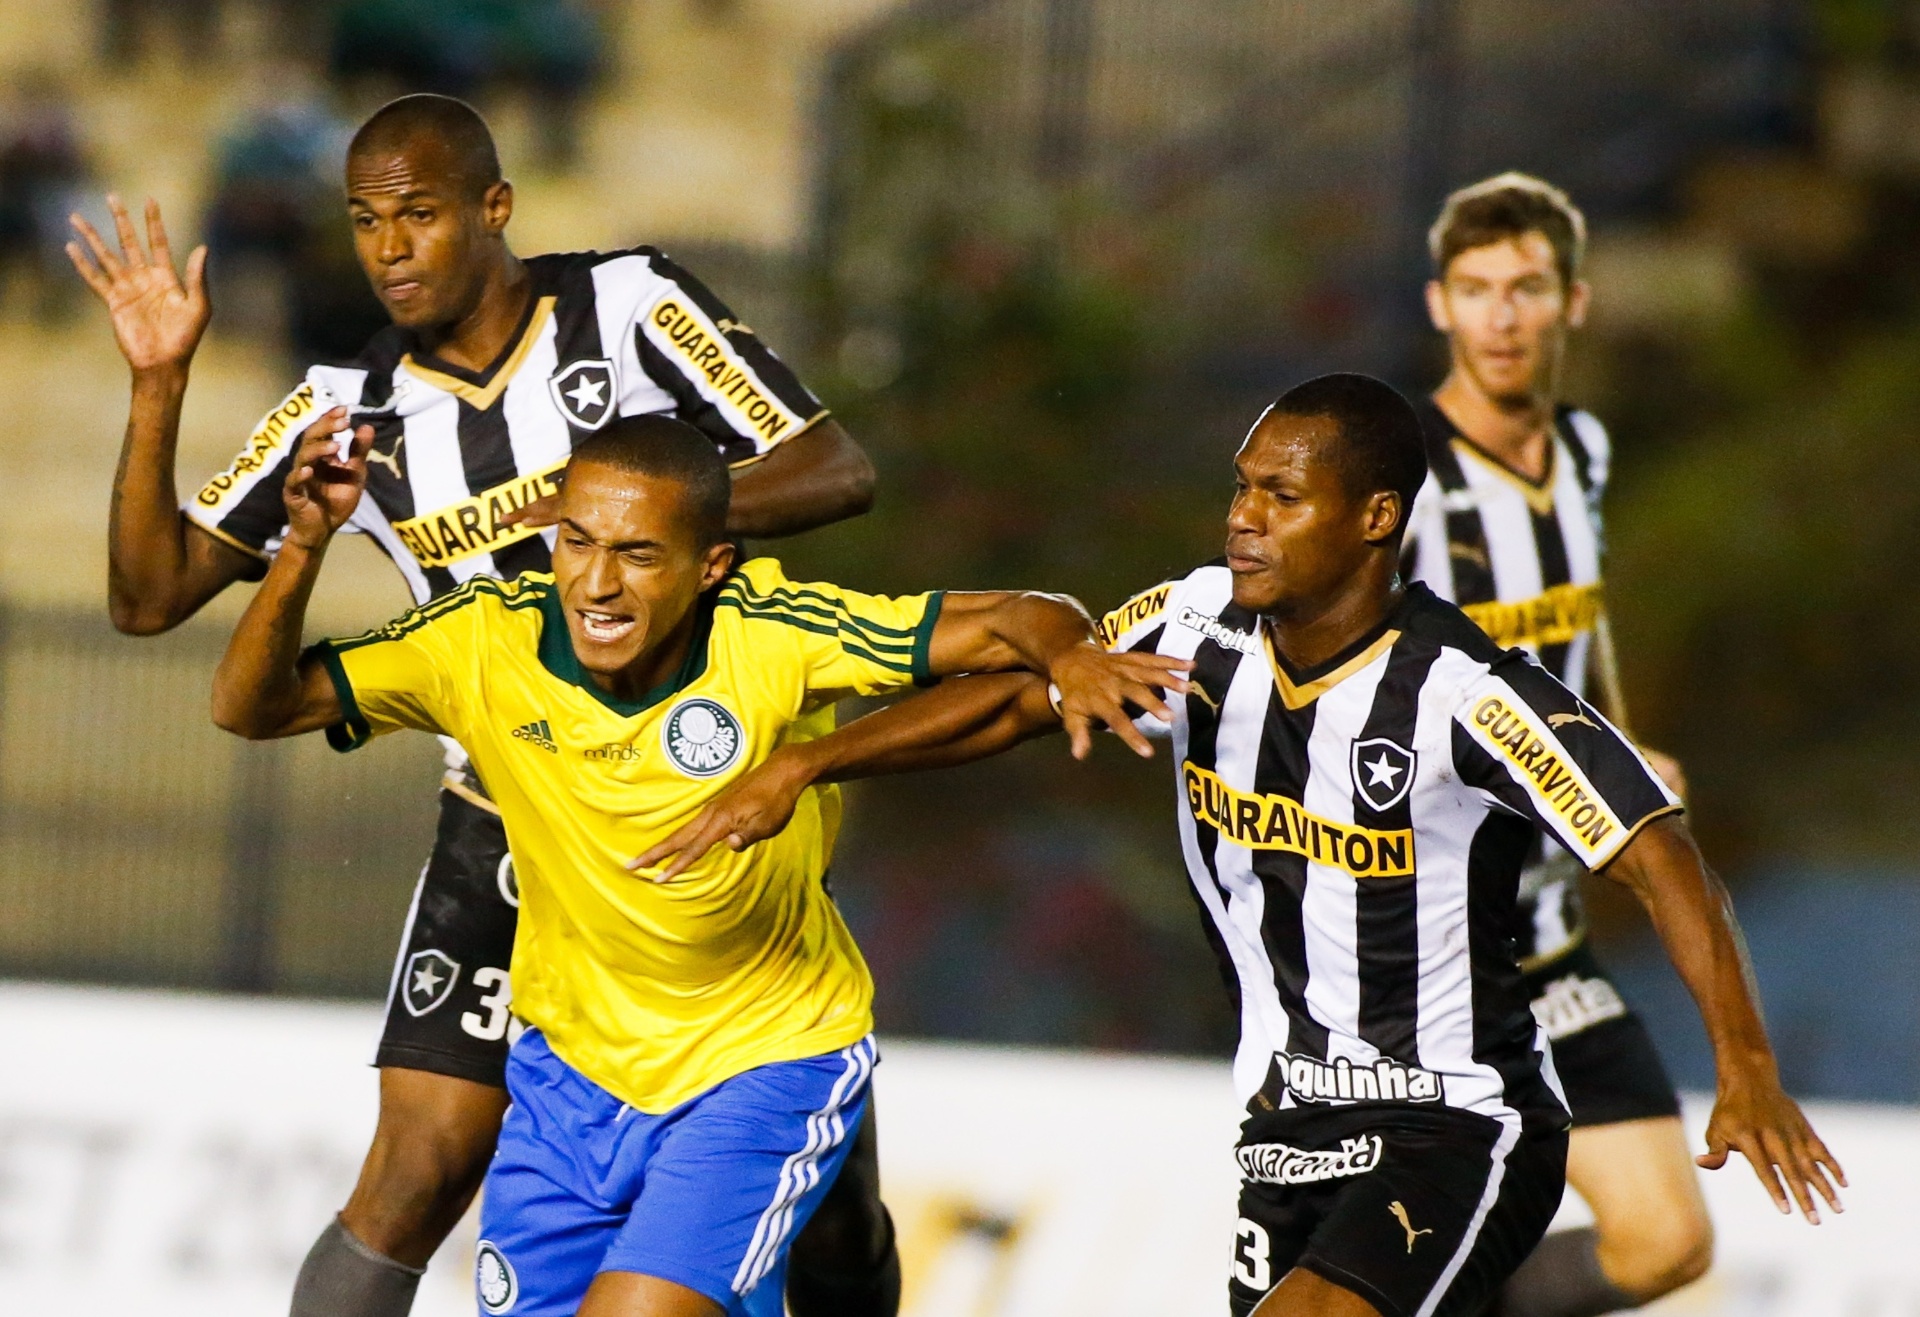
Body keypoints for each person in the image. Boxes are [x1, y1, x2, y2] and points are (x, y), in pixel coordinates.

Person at [638, 374, 1844, 1317]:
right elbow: (1022, 701)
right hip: (1281, 1124)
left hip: (1453, 1122)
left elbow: (1654, 846)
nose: (1242, 519)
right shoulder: (1195, 619)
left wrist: (1743, 1067)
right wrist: (803, 764)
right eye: (1240, 488)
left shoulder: (1462, 692)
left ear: (1375, 519)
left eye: (1280, 496)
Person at [66, 94, 891, 1317]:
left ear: (492, 209)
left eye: (419, 215)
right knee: (416, 1163)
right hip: (502, 818)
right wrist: (158, 385)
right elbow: (148, 600)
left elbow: (834, 468)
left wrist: (619, 512)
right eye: (365, 222)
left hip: (687, 801)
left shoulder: (629, 307)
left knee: (823, 1221)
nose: (390, 248)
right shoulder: (345, 404)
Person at [207, 411, 1185, 1317]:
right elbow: (251, 707)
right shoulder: (478, 642)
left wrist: (1052, 665)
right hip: (568, 1083)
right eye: (578, 542)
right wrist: (300, 550)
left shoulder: (775, 635)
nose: (596, 583)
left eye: (637, 554)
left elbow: (1026, 616)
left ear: (712, 564)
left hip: (760, 1069)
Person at [1405, 172, 1708, 1317]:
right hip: (1424, 957)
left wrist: (1623, 752)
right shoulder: (1402, 482)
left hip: (1549, 943)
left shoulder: (1581, 450)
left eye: (1527, 287)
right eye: (1477, 290)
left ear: (1573, 301)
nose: (1502, 316)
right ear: (1439, 304)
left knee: (1666, 1244)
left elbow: (1581, 636)